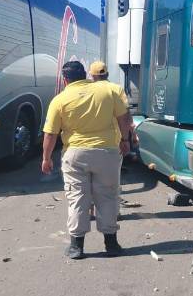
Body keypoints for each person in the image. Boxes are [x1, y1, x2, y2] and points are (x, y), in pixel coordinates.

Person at [41, 61, 134, 259]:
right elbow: (124, 118)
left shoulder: (60, 99)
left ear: (65, 79)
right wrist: (125, 140)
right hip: (107, 152)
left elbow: (50, 134)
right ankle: (112, 244)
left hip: (75, 154)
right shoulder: (107, 92)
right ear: (85, 75)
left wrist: (46, 158)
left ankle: (76, 246)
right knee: (108, 196)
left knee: (77, 198)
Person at [88, 61, 140, 209]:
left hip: (89, 142)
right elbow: (125, 116)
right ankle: (113, 211)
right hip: (112, 142)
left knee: (91, 177)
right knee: (112, 179)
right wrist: (129, 138)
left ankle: (91, 208)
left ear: (92, 76)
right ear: (107, 74)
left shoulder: (87, 90)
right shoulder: (116, 89)